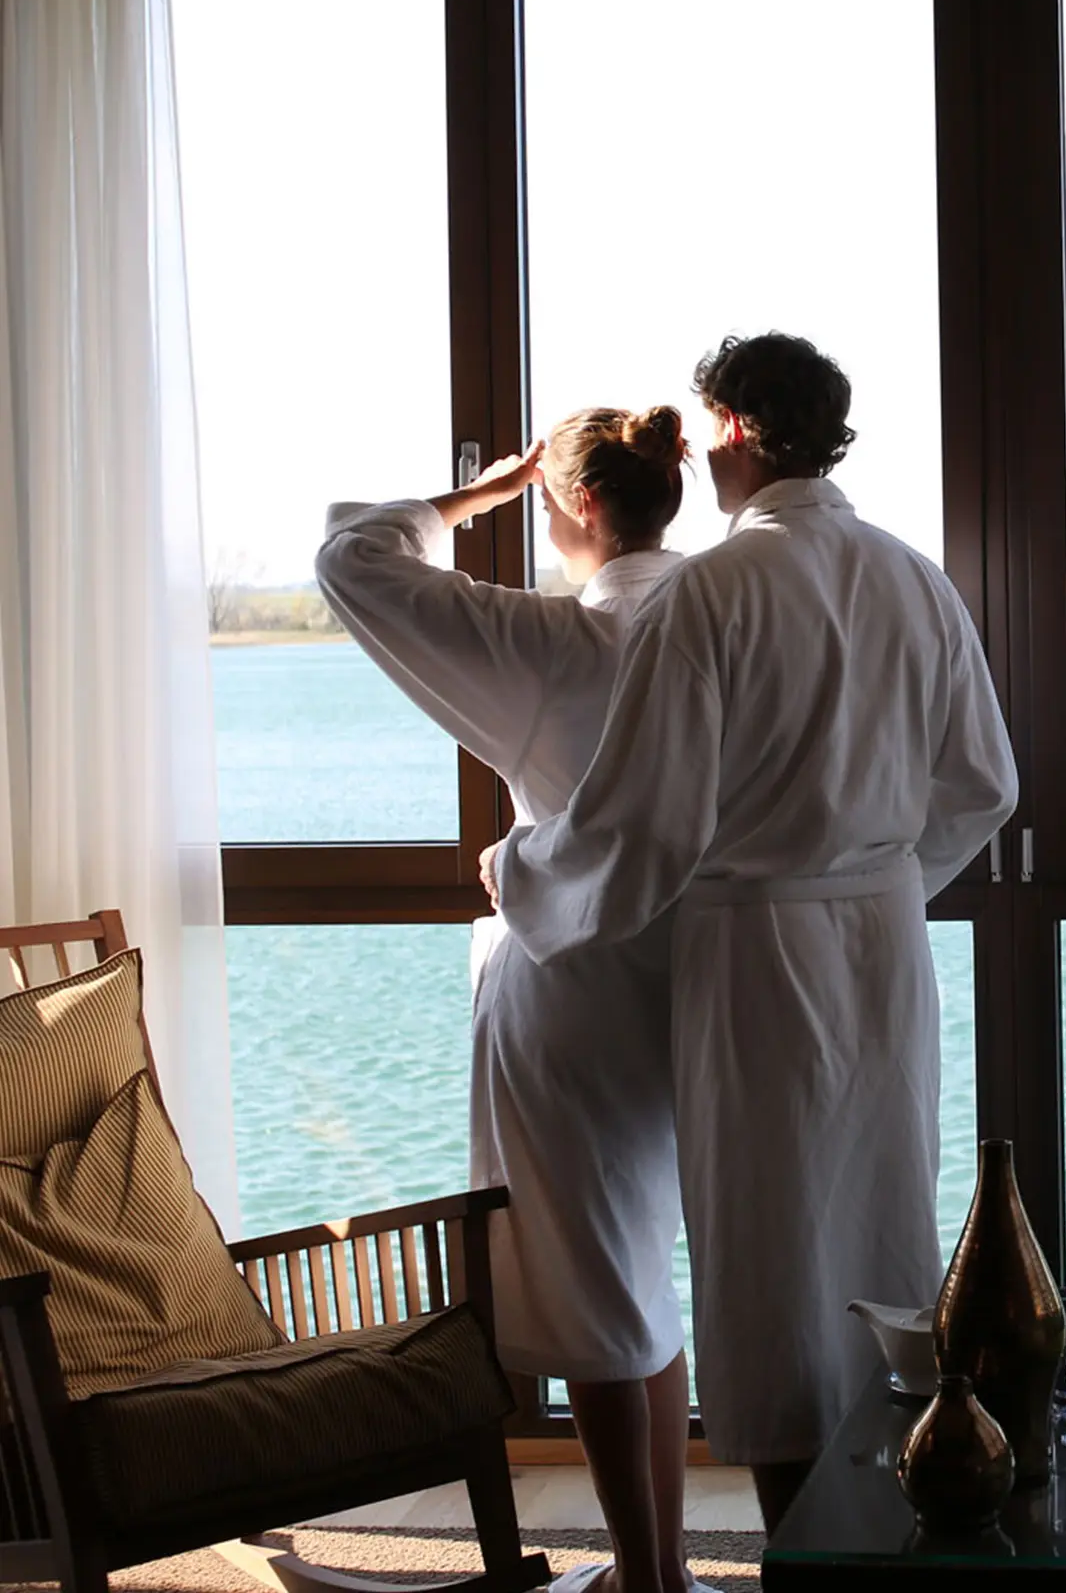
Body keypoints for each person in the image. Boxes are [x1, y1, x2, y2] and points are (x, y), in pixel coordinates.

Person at [483, 332, 1019, 1528]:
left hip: (753, 955)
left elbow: (643, 820)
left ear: (730, 426)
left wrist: (519, 868)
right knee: (880, 1221)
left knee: (769, 1257)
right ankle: (903, 1506)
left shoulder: (712, 591)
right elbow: (984, 785)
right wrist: (876, 880)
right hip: (884, 946)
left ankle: (804, 1542)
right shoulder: (914, 578)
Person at [316, 408, 714, 1593]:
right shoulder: (724, 621)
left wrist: (471, 496)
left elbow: (352, 559)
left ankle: (645, 1574)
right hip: (704, 976)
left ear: (577, 502)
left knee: (594, 1284)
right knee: (644, 1276)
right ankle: (661, 1567)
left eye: (542, 502)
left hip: (572, 982)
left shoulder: (559, 641)